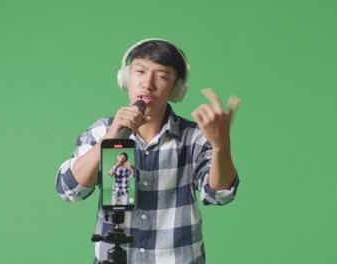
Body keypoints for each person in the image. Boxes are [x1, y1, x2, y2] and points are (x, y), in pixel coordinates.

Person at [55, 38, 241, 264]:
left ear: (177, 87)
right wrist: (110, 138)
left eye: (161, 76)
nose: (147, 83)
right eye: (140, 71)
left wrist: (222, 146)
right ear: (126, 78)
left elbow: (220, 195)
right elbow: (69, 190)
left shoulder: (194, 137)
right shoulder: (102, 131)